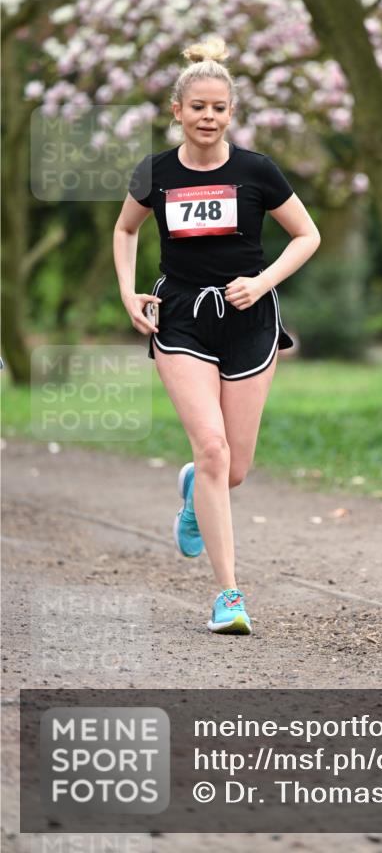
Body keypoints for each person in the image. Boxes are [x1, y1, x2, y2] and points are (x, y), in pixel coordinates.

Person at [113, 36, 321, 635]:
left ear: (231, 113)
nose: (208, 117)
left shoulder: (256, 171)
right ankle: (229, 595)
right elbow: (126, 232)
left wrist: (262, 281)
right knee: (212, 448)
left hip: (251, 320)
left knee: (233, 470)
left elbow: (306, 235)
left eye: (219, 108)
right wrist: (130, 292)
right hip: (181, 317)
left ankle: (191, 493)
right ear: (176, 111)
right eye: (197, 106)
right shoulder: (154, 172)